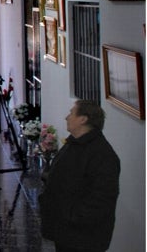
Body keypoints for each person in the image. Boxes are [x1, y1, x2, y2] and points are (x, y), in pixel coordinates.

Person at [39, 100, 120, 252]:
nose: (67, 117)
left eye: (71, 113)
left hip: (82, 238)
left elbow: (101, 199)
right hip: (65, 231)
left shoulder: (102, 155)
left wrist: (70, 216)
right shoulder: (74, 143)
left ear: (83, 119)